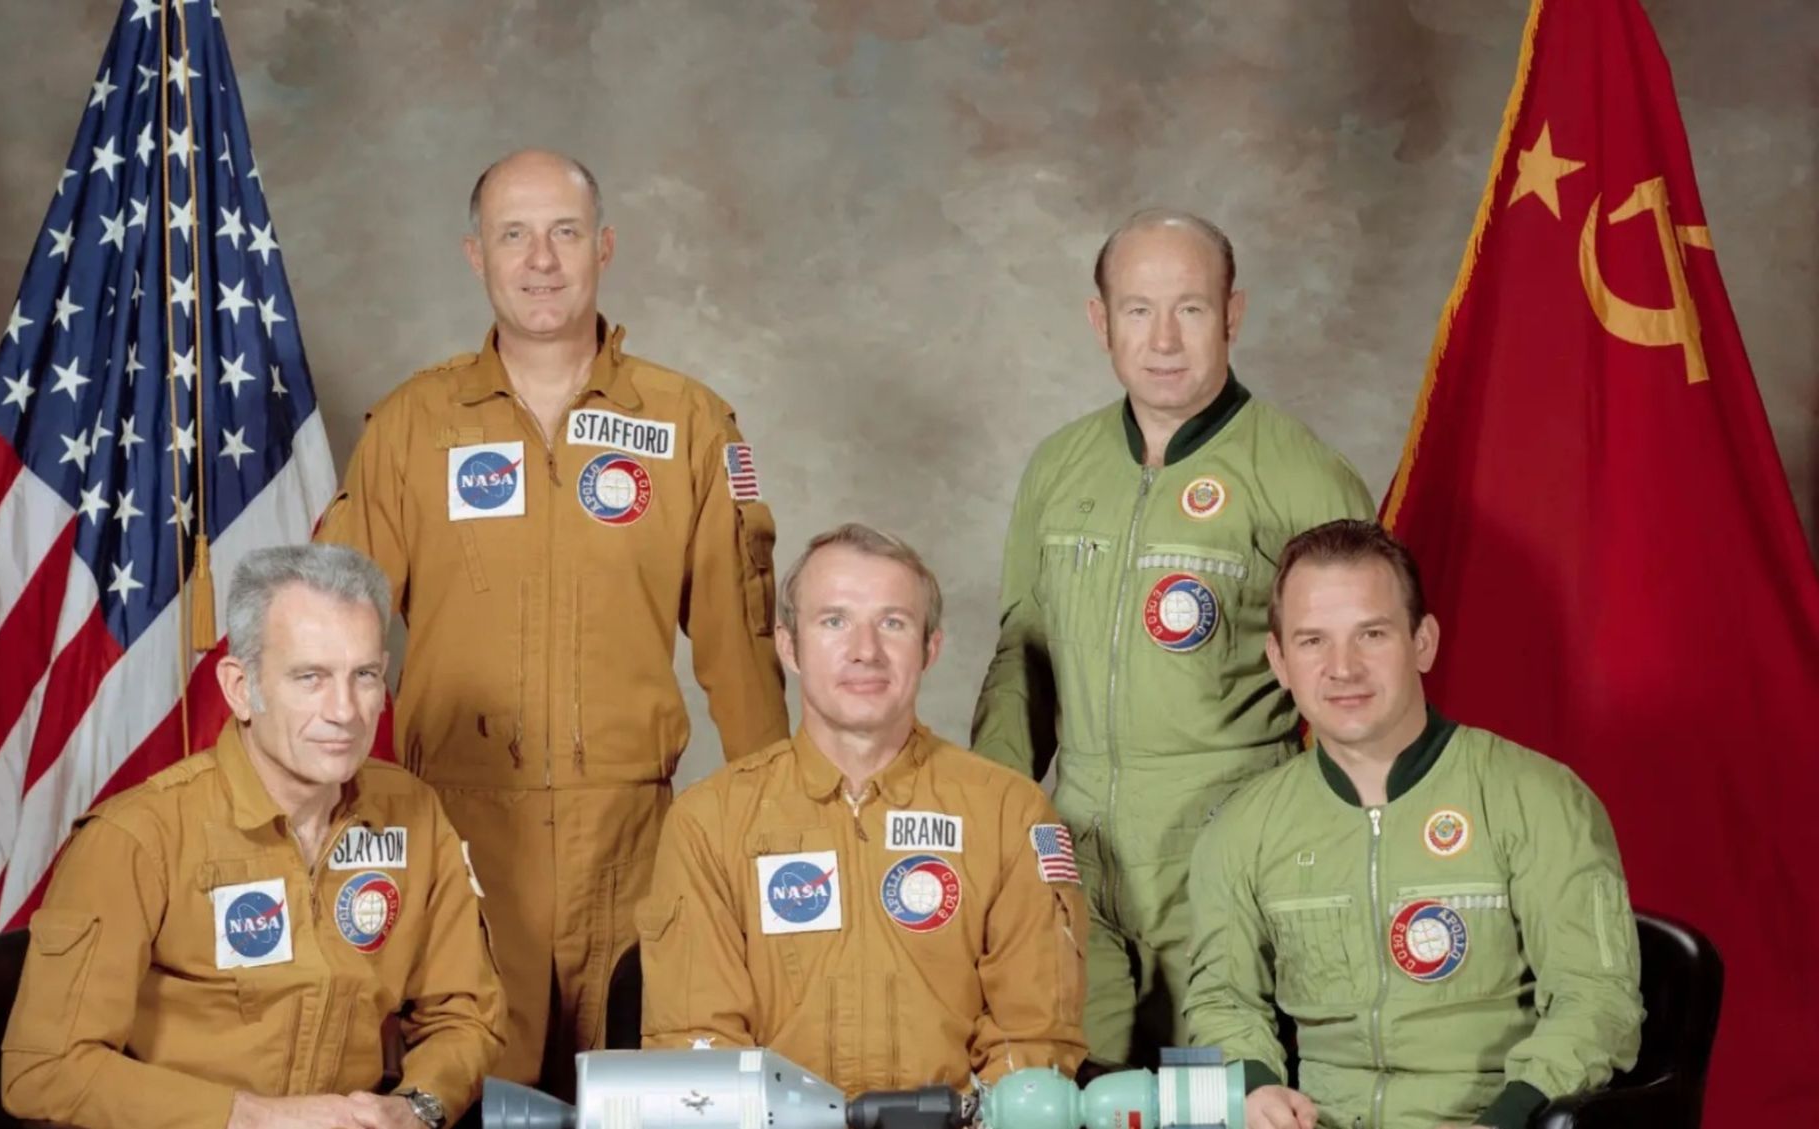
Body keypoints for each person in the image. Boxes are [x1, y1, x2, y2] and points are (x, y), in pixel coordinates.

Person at [315, 150, 788, 1090]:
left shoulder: (687, 425)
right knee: (466, 1094)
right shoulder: (413, 427)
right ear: (476, 255)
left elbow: (740, 653)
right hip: (459, 840)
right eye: (514, 235)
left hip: (634, 843)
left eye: (565, 232)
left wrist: (777, 837)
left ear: (604, 247)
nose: (541, 260)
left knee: (642, 1096)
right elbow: (329, 629)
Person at [972, 208, 1375, 1062]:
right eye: (1138, 309)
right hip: (1076, 867)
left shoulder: (1305, 479)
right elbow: (1022, 659)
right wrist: (988, 819)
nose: (1163, 339)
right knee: (1072, 1094)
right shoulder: (1059, 467)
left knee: (1214, 1099)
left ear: (1233, 315)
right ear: (1100, 321)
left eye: (1190, 308)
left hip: (1226, 868)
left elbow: (1363, 695)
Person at [1, 544, 504, 1129]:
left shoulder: (412, 814)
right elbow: (45, 1070)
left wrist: (416, 1106)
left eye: (365, 675)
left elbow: (464, 1016)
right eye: (310, 677)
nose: (345, 711)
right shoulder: (138, 838)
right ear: (241, 688)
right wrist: (252, 1117)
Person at [1185, 519, 1642, 1129]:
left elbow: (1598, 1001)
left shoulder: (1539, 800)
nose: (1343, 668)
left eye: (1371, 634)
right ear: (1280, 661)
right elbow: (1220, 999)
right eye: (1313, 641)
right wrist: (1252, 1088)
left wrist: (1511, 1119)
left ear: (1422, 642)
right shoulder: (1243, 828)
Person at [637, 523, 1089, 1095]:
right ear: (789, 647)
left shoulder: (1009, 814)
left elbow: (1032, 1039)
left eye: (892, 623)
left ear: (929, 649)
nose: (865, 651)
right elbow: (698, 1043)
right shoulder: (710, 824)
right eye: (834, 621)